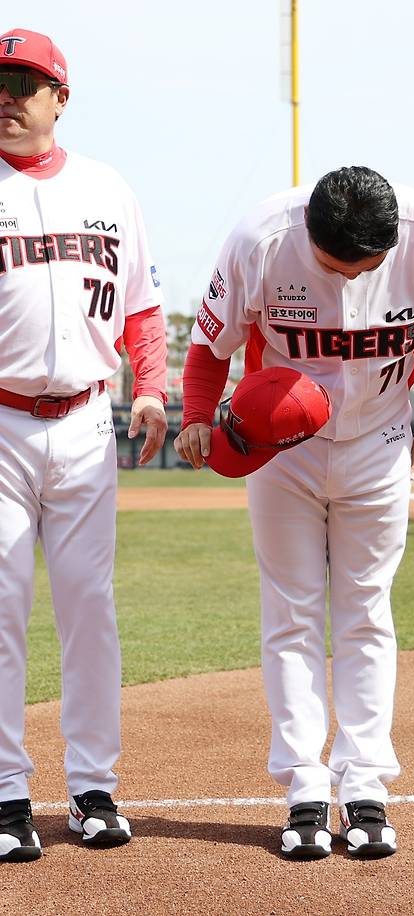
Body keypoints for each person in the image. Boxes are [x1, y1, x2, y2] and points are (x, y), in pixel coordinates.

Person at [175, 166, 414, 859]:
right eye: (332, 264)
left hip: (380, 441)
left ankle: (367, 784)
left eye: (366, 265)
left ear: (392, 241)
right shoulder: (262, 237)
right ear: (308, 233)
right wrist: (199, 415)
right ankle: (303, 787)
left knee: (366, 610)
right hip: (282, 451)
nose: (349, 278)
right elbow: (209, 345)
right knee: (290, 610)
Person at [0, 29, 168, 862]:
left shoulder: (106, 188)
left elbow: (141, 305)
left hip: (84, 426)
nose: (8, 96)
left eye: (26, 83)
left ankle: (94, 788)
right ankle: (4, 795)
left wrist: (152, 385)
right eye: (0, 81)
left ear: (60, 97)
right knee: (1, 609)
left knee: (89, 610)